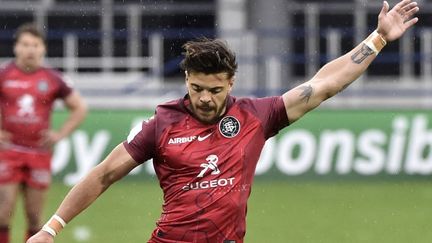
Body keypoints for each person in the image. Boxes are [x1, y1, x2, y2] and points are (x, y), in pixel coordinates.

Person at [27, 1, 419, 242]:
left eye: (214, 90)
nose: (204, 98)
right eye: (196, 87)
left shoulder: (255, 116)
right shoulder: (161, 124)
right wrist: (52, 228)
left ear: (231, 83)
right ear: (186, 80)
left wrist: (377, 40)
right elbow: (103, 174)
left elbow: (321, 86)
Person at [0, 23, 87, 243]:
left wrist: (59, 135)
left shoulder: (52, 78)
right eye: (25, 44)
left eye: (35, 45)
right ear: (16, 47)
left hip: (38, 153)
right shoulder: (4, 74)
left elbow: (79, 107)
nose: (30, 49)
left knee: (34, 217)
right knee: (2, 213)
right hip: (8, 152)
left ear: (43, 49)